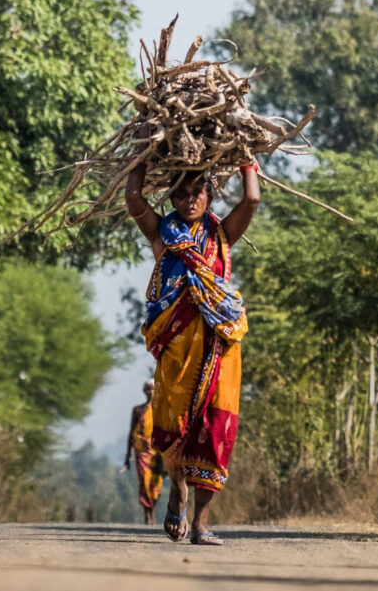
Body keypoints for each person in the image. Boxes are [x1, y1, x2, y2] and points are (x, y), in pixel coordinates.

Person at [125, 159, 260, 546]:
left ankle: (201, 523)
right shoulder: (162, 236)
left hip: (221, 343)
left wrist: (247, 157)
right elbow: (134, 198)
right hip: (177, 351)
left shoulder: (221, 235)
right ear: (171, 197)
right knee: (174, 428)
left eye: (197, 192)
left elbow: (251, 199)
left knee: (215, 429)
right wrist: (141, 150)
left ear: (209, 195)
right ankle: (178, 489)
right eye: (181, 194)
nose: (189, 200)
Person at [122, 379, 164, 524]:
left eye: (153, 389)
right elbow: (131, 433)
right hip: (140, 452)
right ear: (144, 391)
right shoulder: (138, 410)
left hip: (157, 453)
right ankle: (148, 513)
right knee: (144, 483)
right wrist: (127, 457)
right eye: (148, 389)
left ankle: (152, 510)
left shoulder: (160, 409)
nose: (150, 392)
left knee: (156, 484)